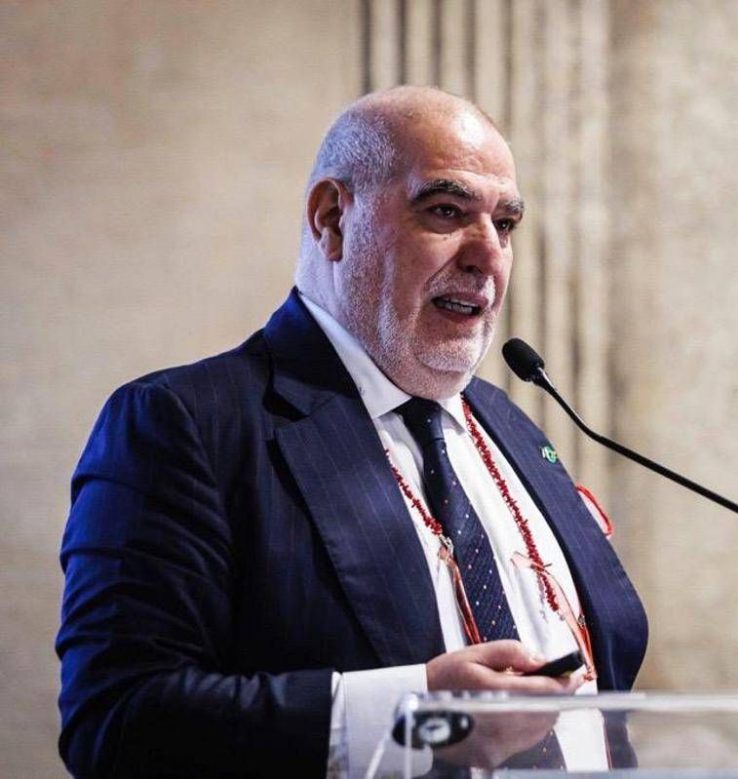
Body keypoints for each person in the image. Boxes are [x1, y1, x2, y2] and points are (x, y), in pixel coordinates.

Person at [56, 86, 648, 777]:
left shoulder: (510, 426)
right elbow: (117, 720)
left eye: (506, 224)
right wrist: (417, 718)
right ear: (333, 218)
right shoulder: (185, 424)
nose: (488, 255)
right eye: (446, 211)